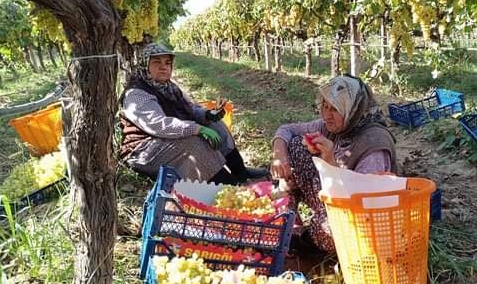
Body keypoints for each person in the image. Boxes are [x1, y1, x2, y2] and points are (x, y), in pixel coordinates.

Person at [270, 75, 397, 254]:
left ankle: (309, 242)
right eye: (325, 106)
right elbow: (286, 130)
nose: (326, 116)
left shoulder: (373, 144)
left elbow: (361, 203)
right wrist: (280, 156)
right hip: (334, 199)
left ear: (352, 110)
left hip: (362, 220)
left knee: (329, 229)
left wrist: (330, 160)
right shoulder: (332, 126)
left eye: (335, 109)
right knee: (297, 144)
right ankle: (288, 214)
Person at [119, 43, 268, 184]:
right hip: (144, 151)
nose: (163, 67)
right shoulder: (137, 93)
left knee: (215, 125)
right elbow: (158, 124)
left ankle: (240, 172)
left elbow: (189, 108)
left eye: (167, 63)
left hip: (162, 140)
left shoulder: (169, 87)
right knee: (193, 142)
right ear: (145, 65)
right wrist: (197, 129)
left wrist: (208, 115)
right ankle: (230, 186)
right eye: (157, 62)